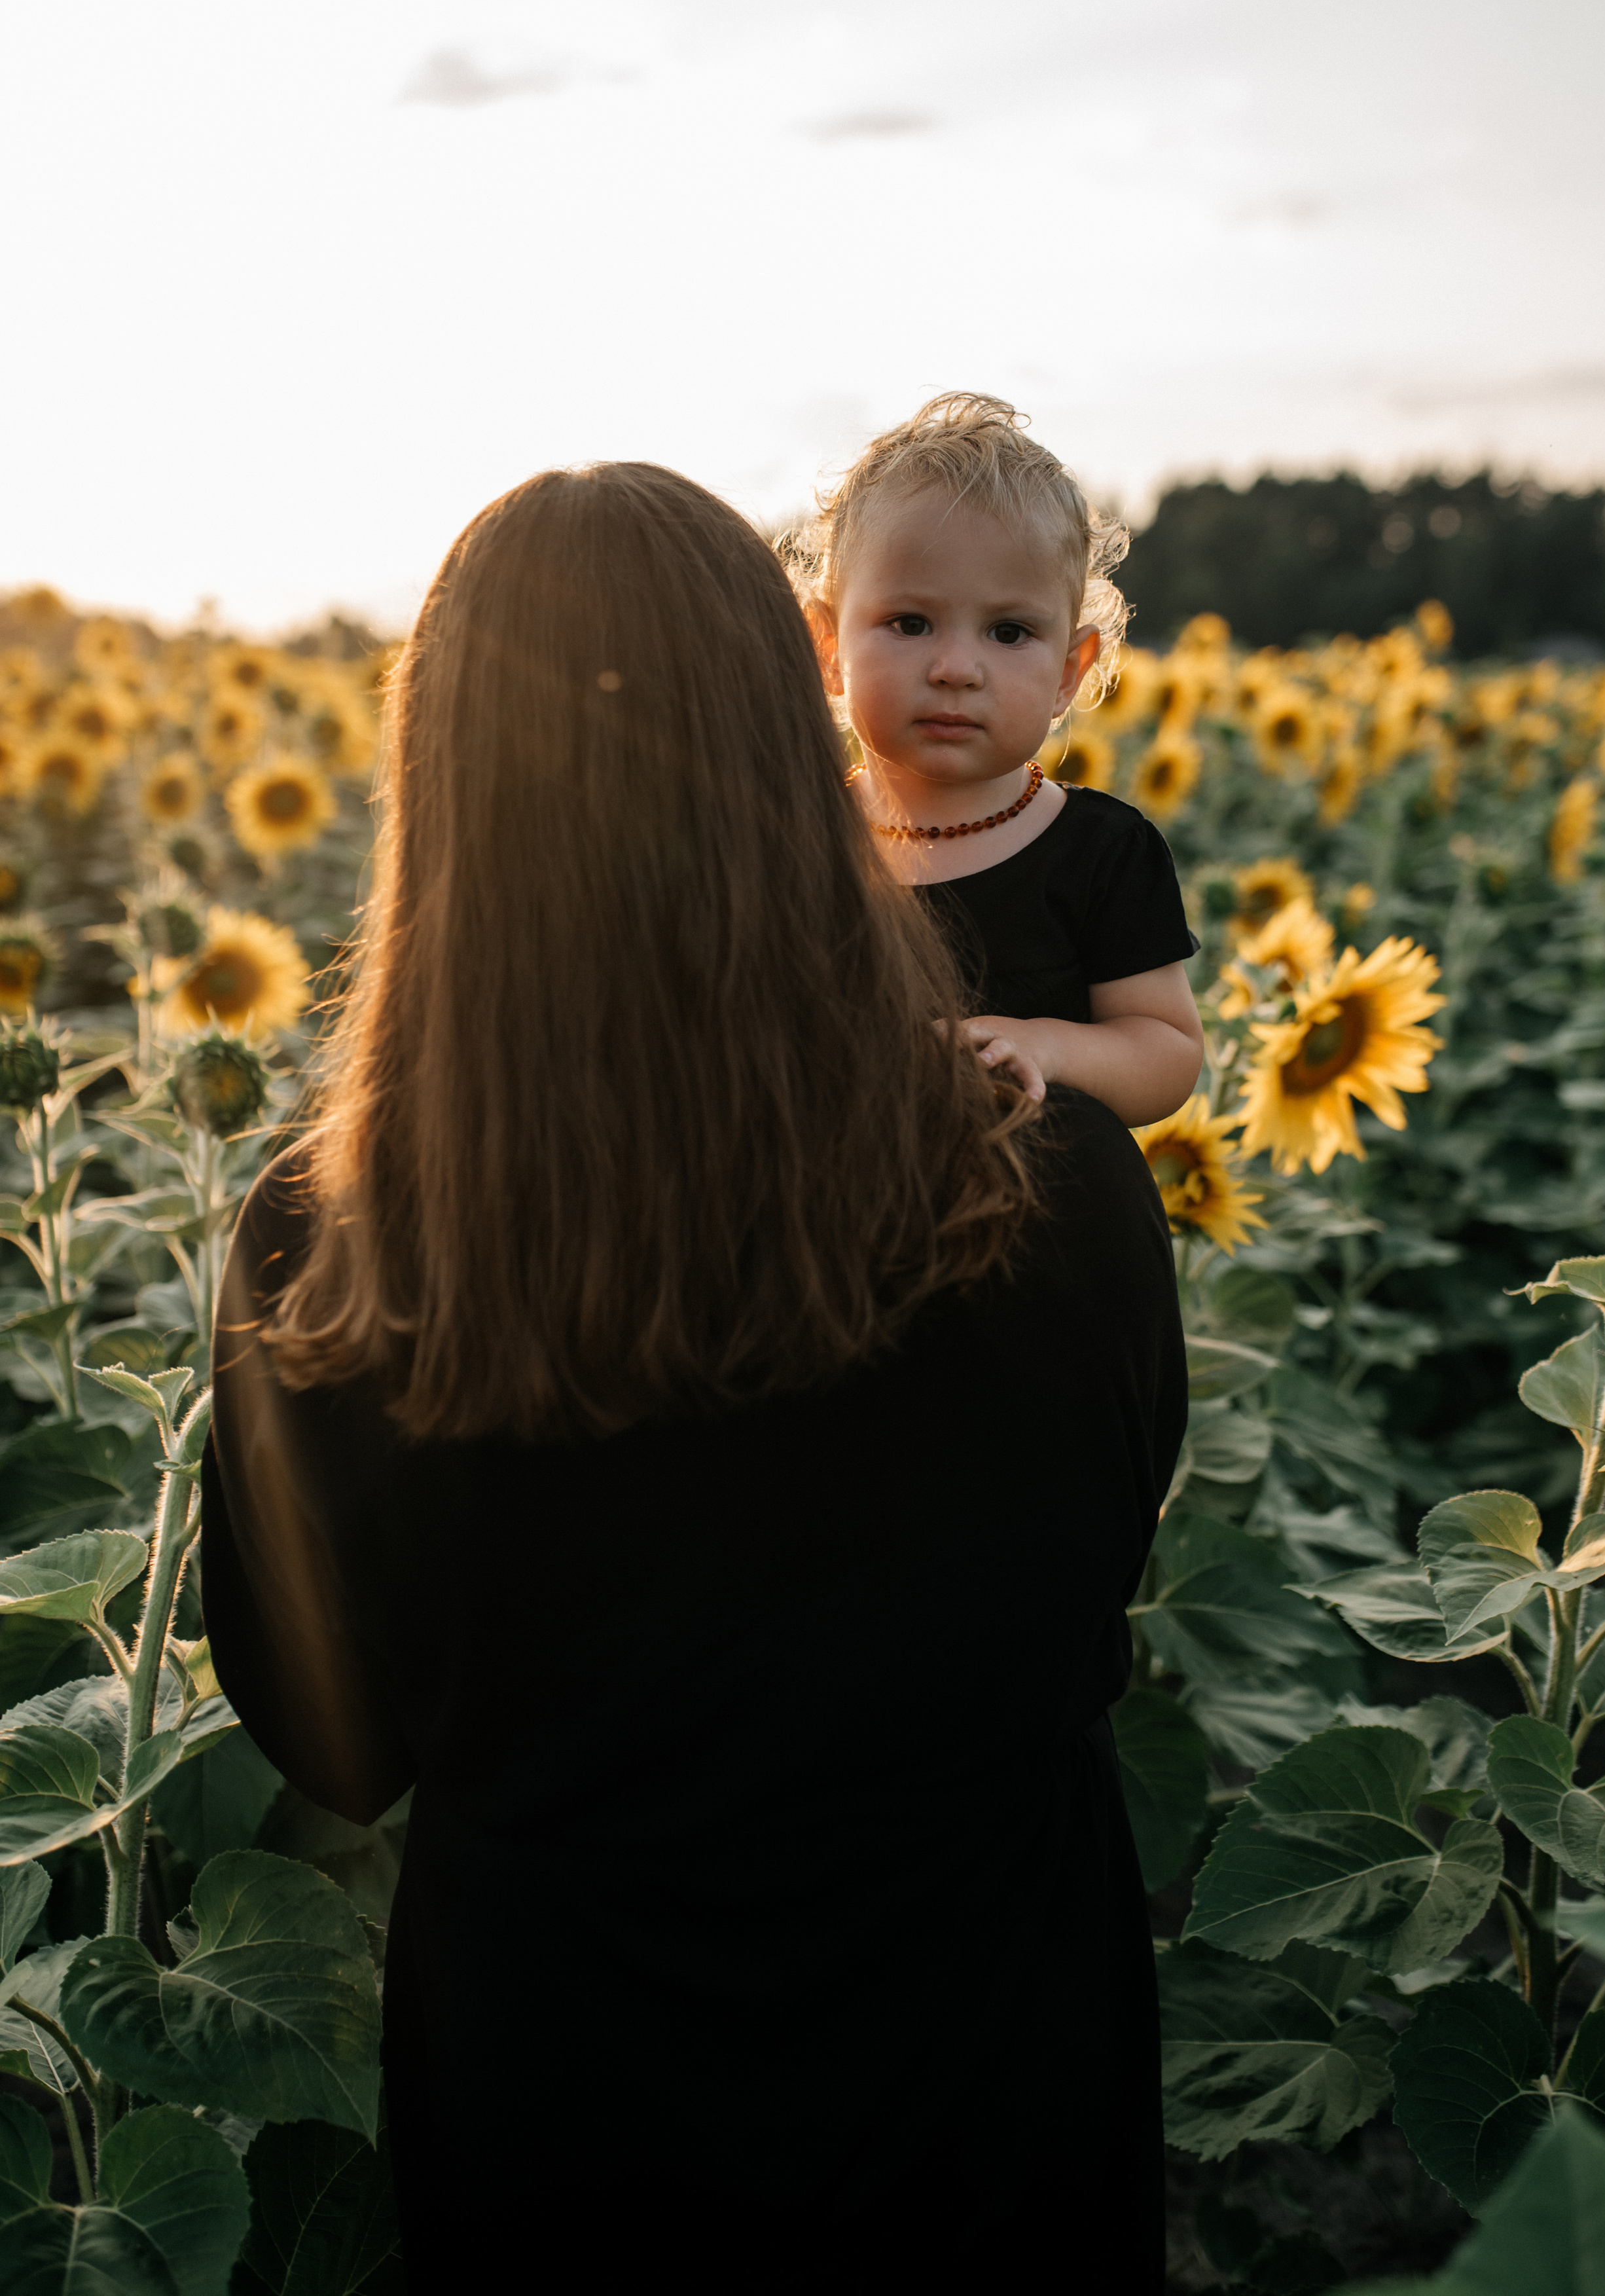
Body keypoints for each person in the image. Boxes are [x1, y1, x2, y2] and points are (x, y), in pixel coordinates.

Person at [204, 462, 1187, 2290]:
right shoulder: (1052, 1184)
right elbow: (1094, 1588)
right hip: (993, 2092)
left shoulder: (324, 1243)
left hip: (565, 2117)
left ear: (444, 791)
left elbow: (330, 1743)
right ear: (794, 724)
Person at [791, 393, 1203, 1124]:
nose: (956, 667)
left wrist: (1046, 1046)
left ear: (1069, 672)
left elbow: (1167, 1053)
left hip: (1052, 1223)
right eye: (910, 623)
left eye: (1008, 633)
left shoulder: (1102, 854)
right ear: (828, 648)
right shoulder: (798, 841)